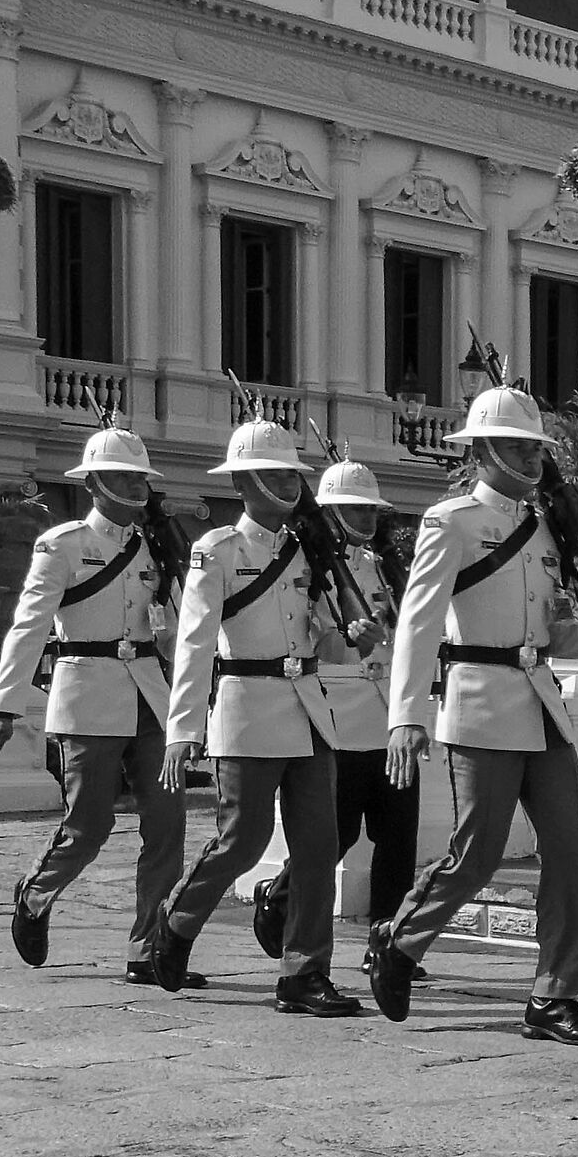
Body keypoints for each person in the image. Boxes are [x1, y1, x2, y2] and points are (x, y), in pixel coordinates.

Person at [370, 383, 578, 1047]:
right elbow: (419, 622)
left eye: (534, 446)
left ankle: (554, 994)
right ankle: (400, 938)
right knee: (477, 852)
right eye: (516, 445)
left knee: (568, 851)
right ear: (483, 451)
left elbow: (549, 630)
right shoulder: (450, 521)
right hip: (480, 700)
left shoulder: (545, 529)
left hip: (541, 702)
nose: (531, 456)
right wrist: (407, 714)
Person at [152, 418, 369, 1014]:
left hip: (308, 711)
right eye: (272, 473)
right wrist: (183, 730)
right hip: (246, 708)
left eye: (291, 473)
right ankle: (177, 921)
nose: (288, 483)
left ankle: (304, 972)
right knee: (242, 842)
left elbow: (321, 633)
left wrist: (352, 633)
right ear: (243, 483)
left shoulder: (308, 551)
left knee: (319, 848)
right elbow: (194, 644)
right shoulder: (217, 550)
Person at [0, 420, 189, 985]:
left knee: (167, 824)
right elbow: (29, 626)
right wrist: (4, 707)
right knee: (89, 824)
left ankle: (148, 949)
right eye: (124, 476)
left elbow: (178, 629)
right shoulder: (63, 544)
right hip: (87, 694)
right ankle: (36, 892)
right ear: (94, 482)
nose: (137, 486)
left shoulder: (156, 546)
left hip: (151, 695)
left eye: (140, 477)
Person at [253, 454, 419, 978]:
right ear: (329, 511)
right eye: (356, 508)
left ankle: (387, 942)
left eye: (371, 510)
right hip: (339, 717)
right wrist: (347, 639)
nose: (367, 518)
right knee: (336, 836)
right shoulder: (309, 566)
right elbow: (310, 638)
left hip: (388, 717)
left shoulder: (382, 564)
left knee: (398, 841)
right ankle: (280, 896)